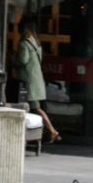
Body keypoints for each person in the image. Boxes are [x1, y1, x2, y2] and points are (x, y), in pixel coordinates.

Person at [15, 16, 60, 144]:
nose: (17, 28)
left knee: (35, 108)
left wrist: (11, 59)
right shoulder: (36, 42)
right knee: (36, 108)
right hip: (36, 80)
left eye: (19, 26)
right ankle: (45, 131)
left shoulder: (24, 43)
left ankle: (52, 130)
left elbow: (22, 60)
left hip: (28, 81)